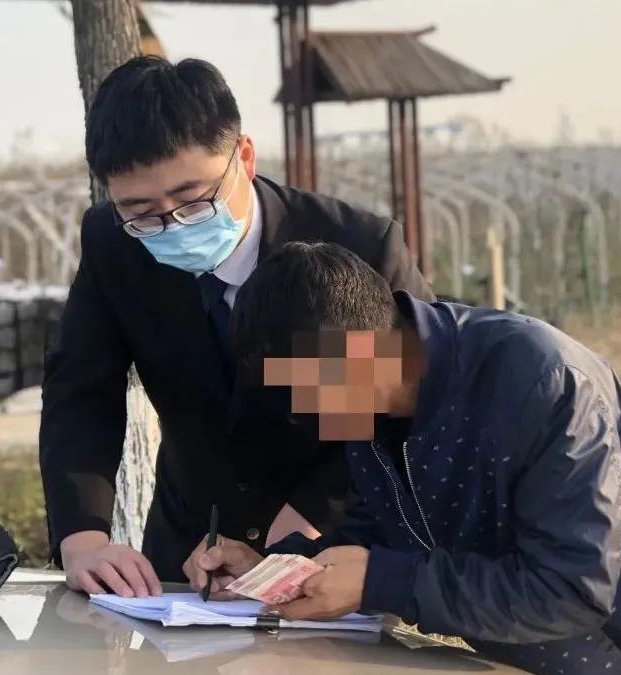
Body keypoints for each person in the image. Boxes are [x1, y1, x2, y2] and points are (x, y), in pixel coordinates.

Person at [192, 242, 621, 675]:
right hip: (535, 660)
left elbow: (571, 589)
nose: (298, 412)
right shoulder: (369, 401)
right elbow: (380, 532)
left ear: (356, 351)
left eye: (301, 390)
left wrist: (381, 583)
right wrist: (275, 571)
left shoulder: (540, 381)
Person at [39, 56, 432, 596]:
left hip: (333, 540)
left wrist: (315, 512)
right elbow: (81, 392)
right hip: (190, 545)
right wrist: (82, 538)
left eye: (193, 200)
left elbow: (405, 402)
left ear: (244, 157)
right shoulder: (114, 245)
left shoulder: (357, 245)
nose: (172, 224)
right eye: (141, 211)